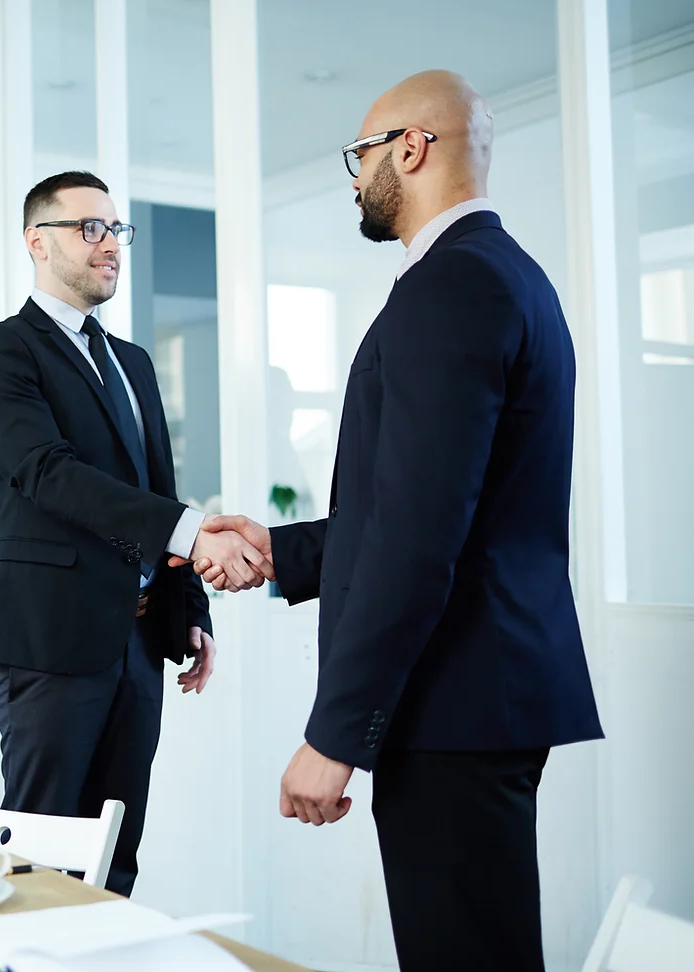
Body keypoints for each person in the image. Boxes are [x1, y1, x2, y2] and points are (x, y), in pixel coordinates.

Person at [177, 71, 603, 969]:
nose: (356, 176)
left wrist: (335, 735)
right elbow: (420, 511)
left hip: (454, 703)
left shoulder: (451, 287)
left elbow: (418, 540)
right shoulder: (507, 278)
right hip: (483, 700)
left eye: (361, 154)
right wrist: (276, 550)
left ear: (411, 149)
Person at [0, 171, 268, 896]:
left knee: (114, 855)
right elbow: (48, 474)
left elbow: (157, 490)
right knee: (39, 853)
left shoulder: (133, 363)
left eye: (116, 230)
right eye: (89, 228)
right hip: (53, 643)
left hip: (139, 641)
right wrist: (195, 536)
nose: (110, 246)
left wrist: (190, 609)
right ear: (38, 242)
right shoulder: (0, 350)